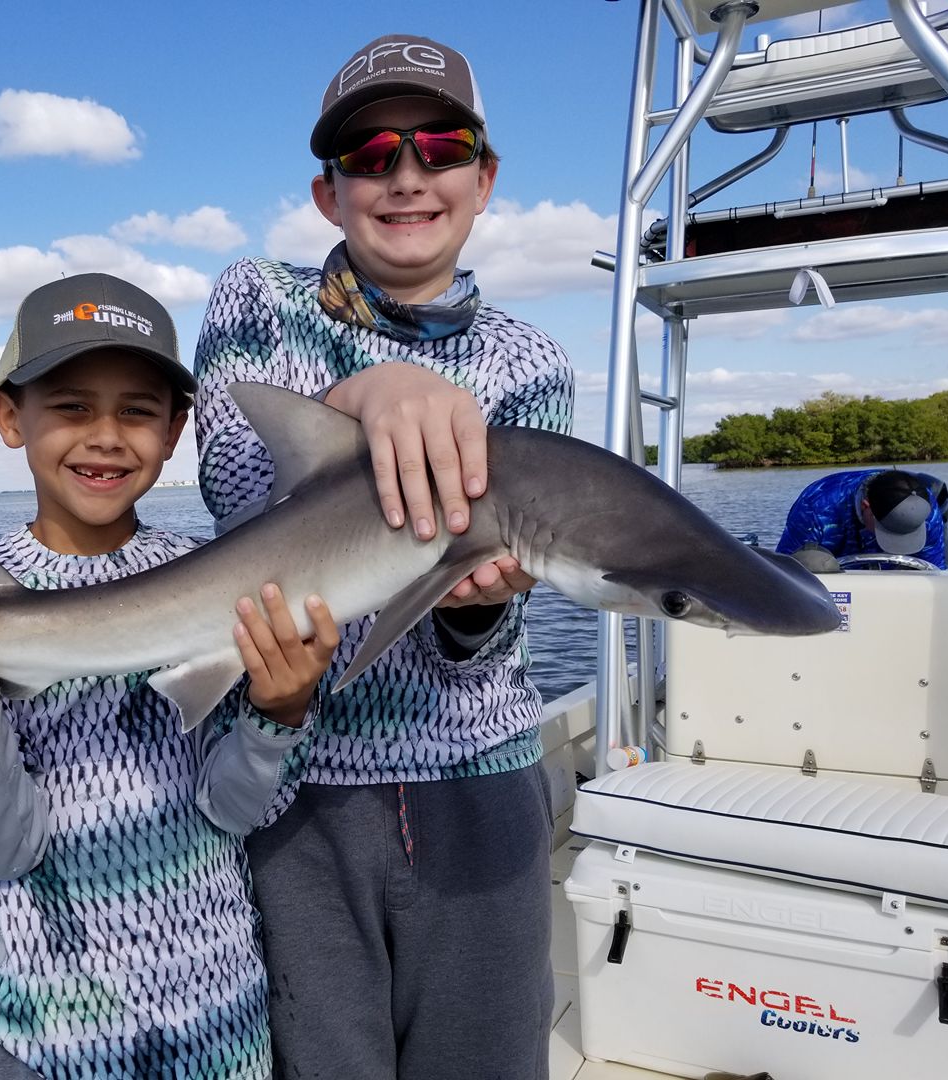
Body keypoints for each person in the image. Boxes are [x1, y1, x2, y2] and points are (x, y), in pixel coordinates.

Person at [193, 34, 575, 1080]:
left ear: (484, 179)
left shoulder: (530, 364)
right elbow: (237, 487)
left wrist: (471, 609)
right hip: (299, 792)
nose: (406, 174)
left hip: (476, 779)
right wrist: (365, 394)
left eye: (440, 145)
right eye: (369, 156)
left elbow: (488, 642)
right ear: (328, 194)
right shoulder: (257, 300)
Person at [0, 273, 340, 1080]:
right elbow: (6, 848)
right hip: (49, 1042)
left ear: (176, 431)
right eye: (70, 406)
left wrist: (281, 712)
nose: (105, 435)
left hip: (220, 1021)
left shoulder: (216, 579)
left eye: (138, 410)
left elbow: (231, 812)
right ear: (9, 416)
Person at [776, 467, 948, 570]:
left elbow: (935, 571)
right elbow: (785, 572)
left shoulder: (925, 508)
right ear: (866, 507)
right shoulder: (816, 506)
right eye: (886, 529)